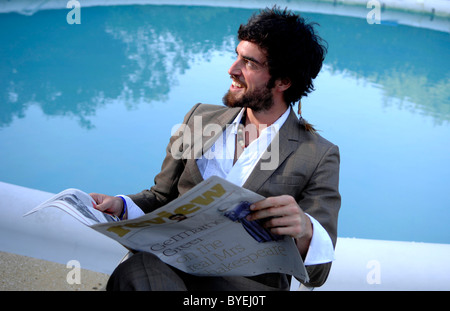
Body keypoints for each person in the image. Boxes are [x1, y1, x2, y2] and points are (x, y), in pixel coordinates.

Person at [90, 7, 340, 291]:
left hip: (245, 288)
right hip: (172, 268)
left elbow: (319, 274)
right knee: (140, 267)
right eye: (236, 55)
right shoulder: (199, 118)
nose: (232, 69)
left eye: (249, 63)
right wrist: (122, 206)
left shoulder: (319, 155)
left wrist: (305, 230)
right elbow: (161, 198)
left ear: (283, 81)